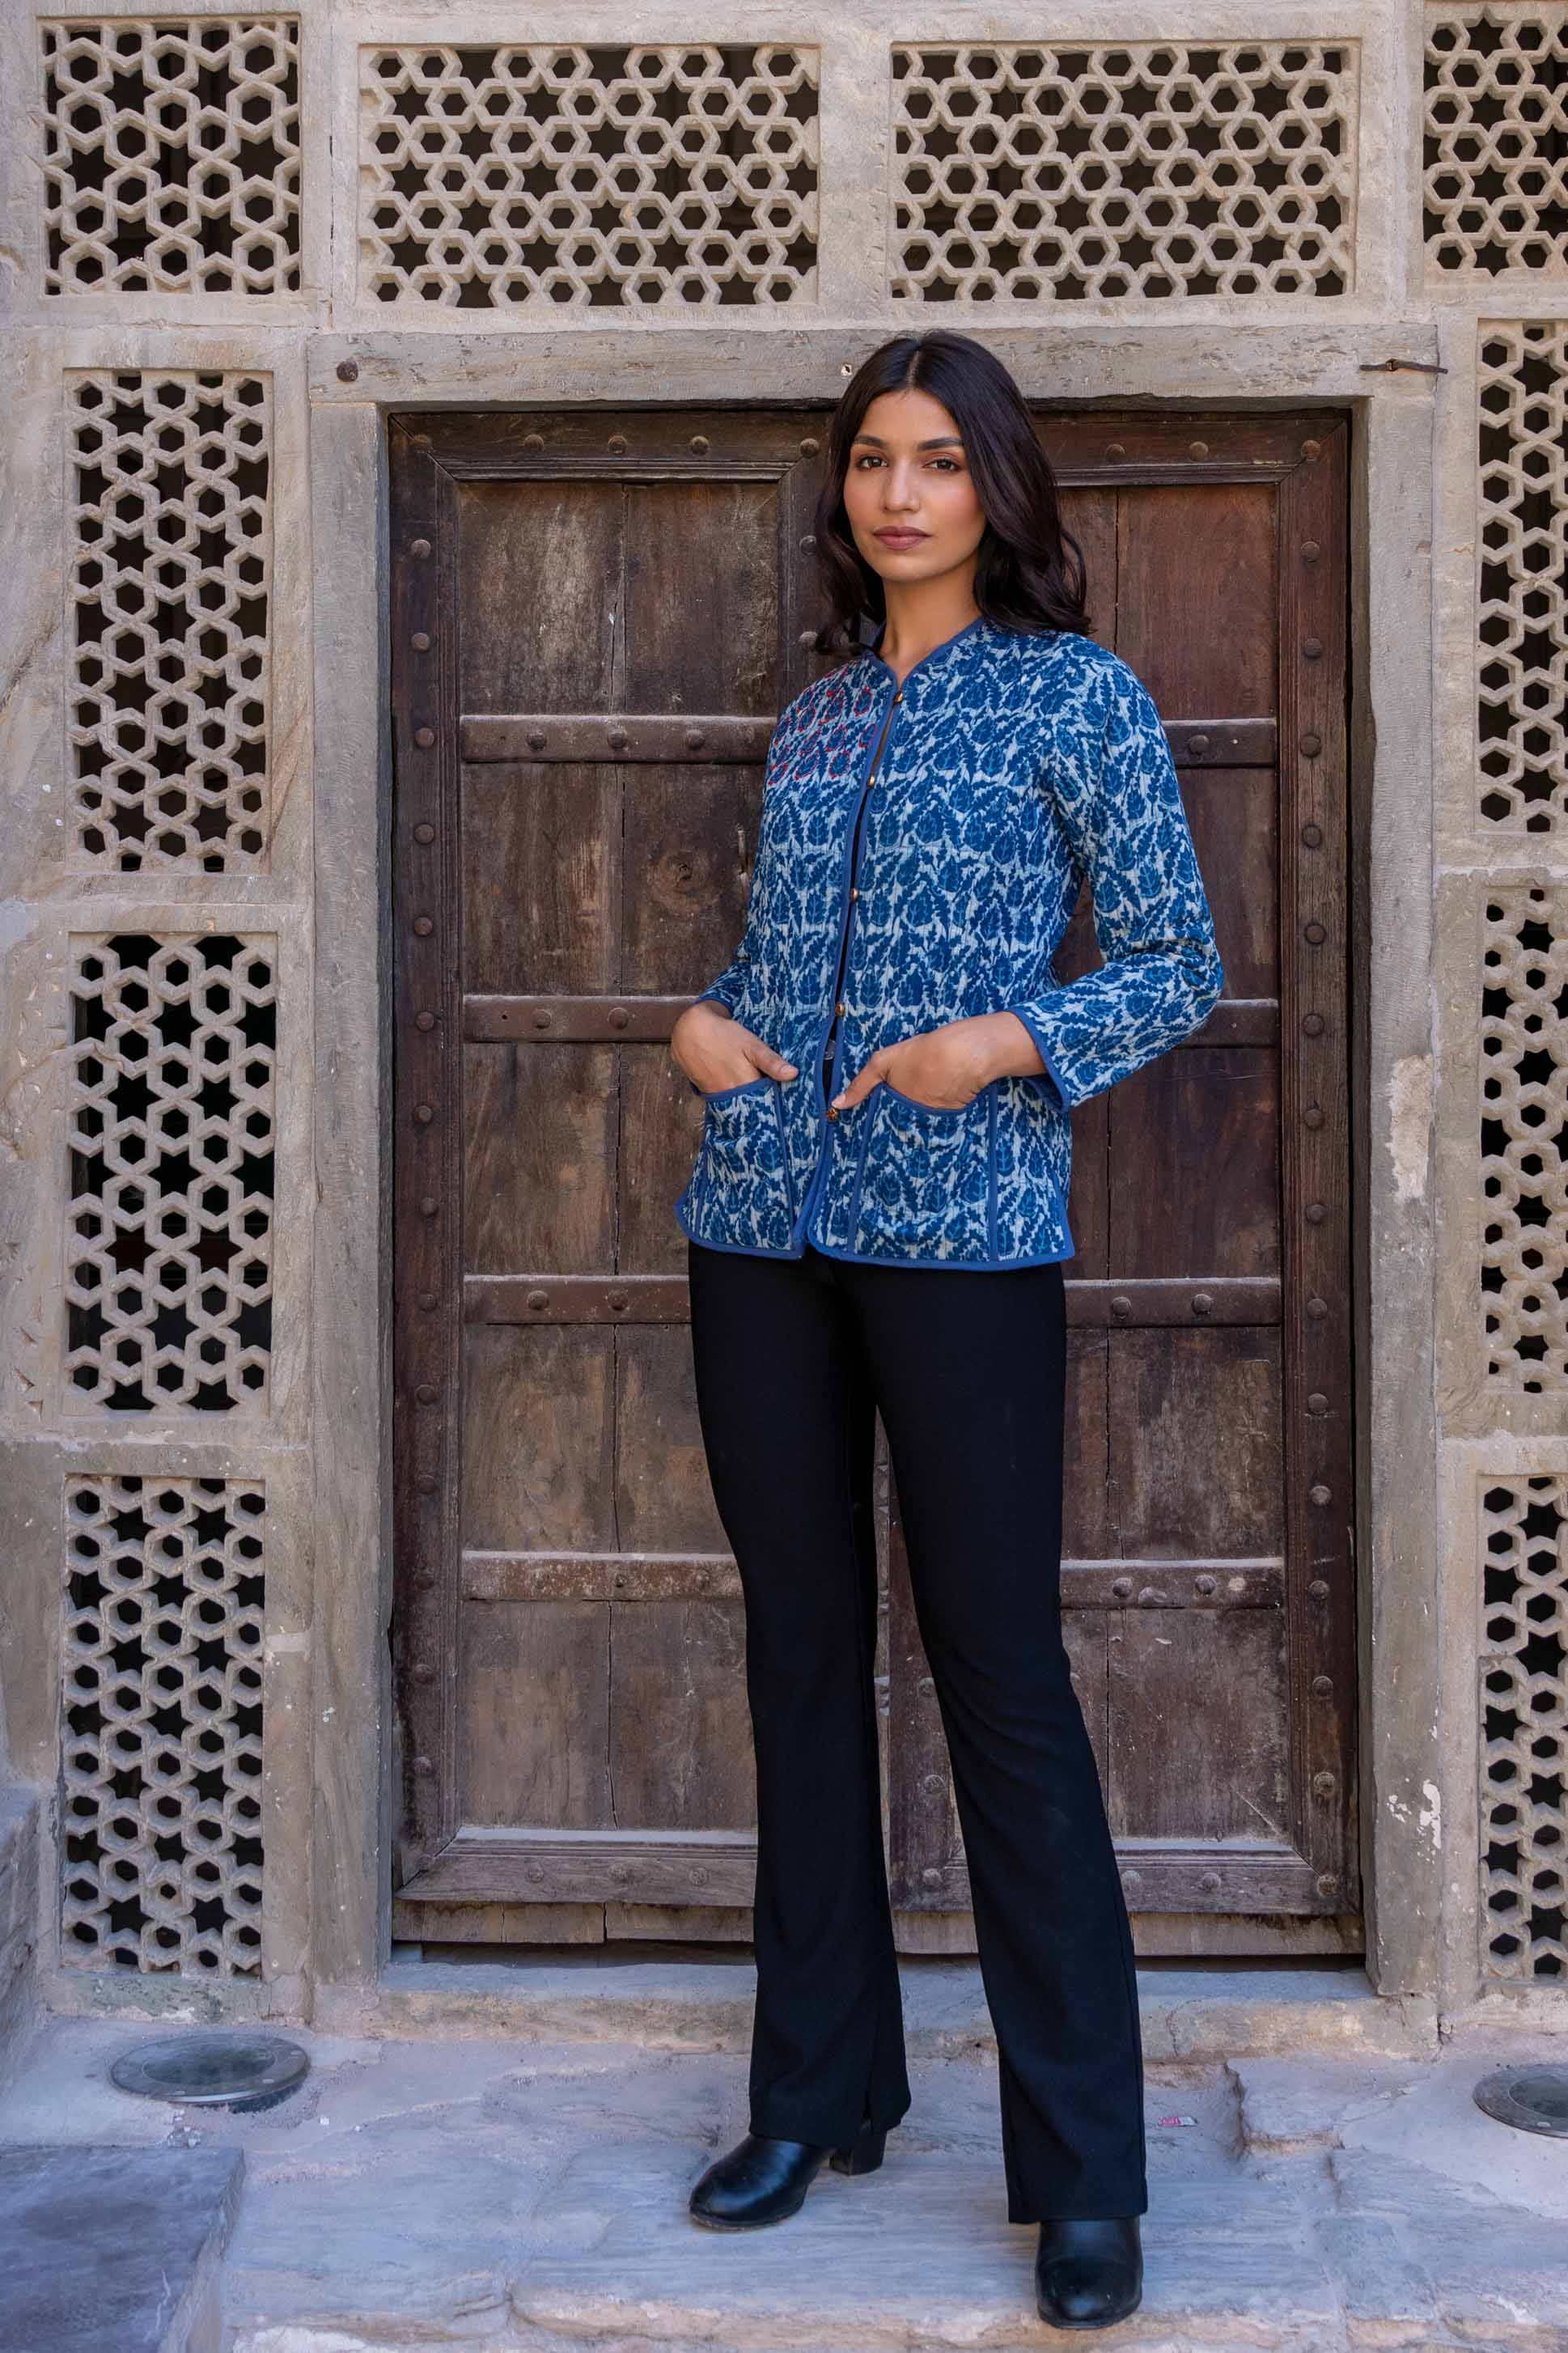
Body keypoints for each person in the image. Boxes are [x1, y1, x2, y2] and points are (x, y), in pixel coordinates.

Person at [667, 328, 1224, 2330]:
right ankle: (817, 2092)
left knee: (1000, 1676)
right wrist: (700, 1026)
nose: (898, 493)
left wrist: (1002, 1039)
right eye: (871, 460)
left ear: (997, 486)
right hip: (762, 1221)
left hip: (967, 1233)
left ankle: (1085, 2173)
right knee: (802, 1654)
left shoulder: (1078, 694)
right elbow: (767, 963)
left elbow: (1176, 961)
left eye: (938, 460)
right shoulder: (814, 721)